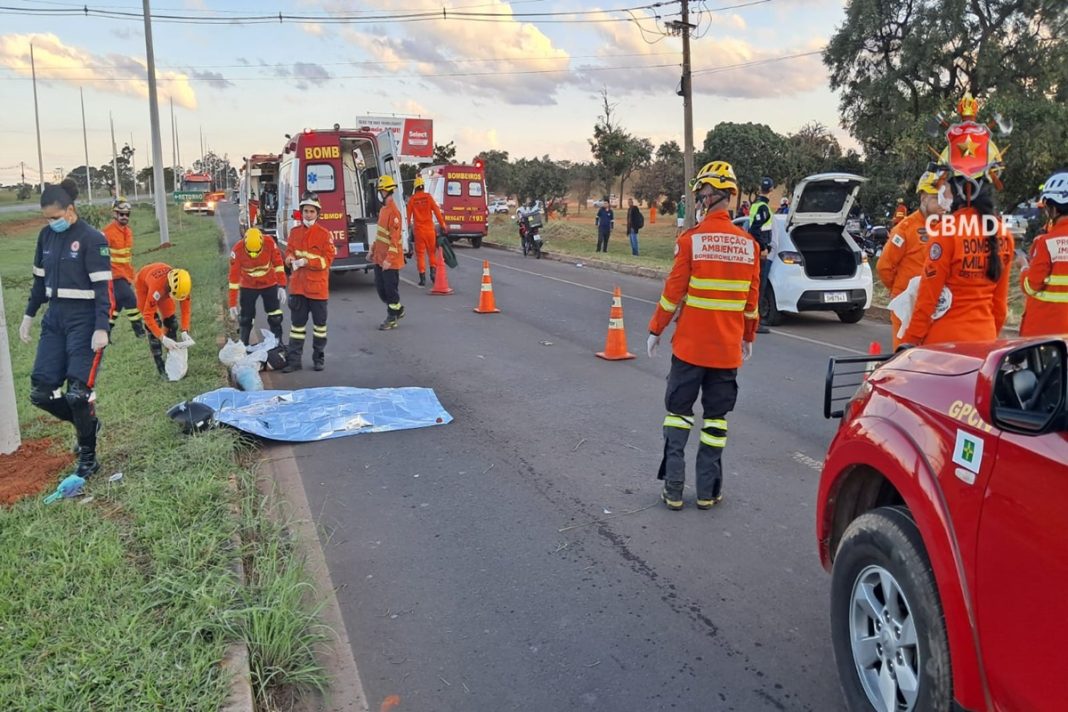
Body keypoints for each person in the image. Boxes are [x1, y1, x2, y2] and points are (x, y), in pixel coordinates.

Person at [646, 161, 761, 512]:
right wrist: (748, 337)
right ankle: (708, 492)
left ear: (710, 195)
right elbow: (751, 304)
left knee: (678, 414)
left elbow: (672, 294)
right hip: (726, 353)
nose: (698, 200)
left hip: (690, 350)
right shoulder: (749, 246)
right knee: (715, 421)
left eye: (700, 194)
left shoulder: (691, 241)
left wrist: (655, 329)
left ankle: (674, 490)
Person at [901, 98, 1013, 346]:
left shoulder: (947, 232)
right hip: (984, 343)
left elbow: (928, 301)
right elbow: (1000, 307)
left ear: (959, 188)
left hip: (944, 347)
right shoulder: (1004, 234)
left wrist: (908, 342)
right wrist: (989, 339)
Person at [19, 179, 112, 478]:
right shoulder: (45, 237)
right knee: (41, 393)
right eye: (47, 218)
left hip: (84, 322)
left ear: (70, 211)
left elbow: (103, 291)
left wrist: (102, 327)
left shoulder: (92, 238)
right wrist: (29, 315)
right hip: (55, 319)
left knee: (77, 395)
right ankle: (86, 423)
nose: (51, 223)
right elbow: (38, 282)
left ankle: (88, 459)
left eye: (55, 217)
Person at [877, 172, 949, 348]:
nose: (943, 204)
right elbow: (884, 267)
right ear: (924, 198)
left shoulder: (947, 229)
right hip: (908, 304)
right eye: (937, 198)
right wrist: (900, 291)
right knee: (905, 355)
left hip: (937, 305)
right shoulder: (905, 229)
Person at [283, 193, 334, 371]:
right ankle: (294, 361)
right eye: (306, 211)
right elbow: (289, 251)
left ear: (317, 213)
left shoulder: (324, 235)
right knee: (297, 327)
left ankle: (318, 359)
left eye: (312, 211)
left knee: (320, 327)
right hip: (298, 288)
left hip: (317, 289)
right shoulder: (294, 233)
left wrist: (307, 262)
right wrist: (289, 259)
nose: (308, 214)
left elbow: (326, 261)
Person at [1018, 171, 1068, 337]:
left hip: (1046, 334)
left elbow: (1031, 287)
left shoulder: (1046, 242)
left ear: (1053, 209)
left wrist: (1024, 267)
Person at [228, 227, 286, 346]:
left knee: (275, 316)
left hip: (269, 283)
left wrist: (282, 286)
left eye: (256, 252)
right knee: (245, 318)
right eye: (250, 252)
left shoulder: (269, 243)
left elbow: (278, 264)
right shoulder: (237, 251)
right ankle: (243, 345)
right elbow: (233, 279)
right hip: (248, 285)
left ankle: (278, 343)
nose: (253, 255)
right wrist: (232, 303)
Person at [135, 262, 192, 376]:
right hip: (144, 285)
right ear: (170, 286)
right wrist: (162, 338)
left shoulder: (184, 286)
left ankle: (173, 357)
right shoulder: (157, 289)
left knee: (172, 323)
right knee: (154, 324)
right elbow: (148, 316)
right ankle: (160, 364)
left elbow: (185, 309)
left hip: (164, 286)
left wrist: (185, 329)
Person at [102, 197, 145, 339]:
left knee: (117, 306)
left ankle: (105, 331)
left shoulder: (128, 231)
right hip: (114, 275)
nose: (125, 217)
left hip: (126, 274)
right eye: (121, 214)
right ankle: (139, 330)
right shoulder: (107, 233)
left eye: (127, 214)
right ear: (115, 214)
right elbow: (100, 253)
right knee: (131, 299)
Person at [371, 176, 406, 330]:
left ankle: (392, 317)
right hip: (379, 258)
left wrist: (389, 260)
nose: (379, 194)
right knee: (381, 288)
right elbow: (379, 235)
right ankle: (397, 309)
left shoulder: (394, 213)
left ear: (385, 191)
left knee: (390, 289)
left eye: (380, 190)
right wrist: (372, 251)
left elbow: (395, 240)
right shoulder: (383, 210)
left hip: (390, 261)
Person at [406, 176, 446, 286]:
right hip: (430, 231)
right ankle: (433, 273)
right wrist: (442, 225)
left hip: (419, 232)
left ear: (415, 188)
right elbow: (437, 212)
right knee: (432, 253)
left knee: (420, 255)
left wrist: (407, 229)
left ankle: (422, 278)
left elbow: (408, 217)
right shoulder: (428, 197)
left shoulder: (412, 200)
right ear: (423, 187)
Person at [748, 177, 775, 334]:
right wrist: (764, 247)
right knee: (758, 287)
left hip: (755, 250)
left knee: (756, 286)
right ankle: (755, 323)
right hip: (760, 252)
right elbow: (755, 230)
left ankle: (753, 321)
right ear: (771, 190)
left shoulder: (756, 205)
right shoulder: (763, 208)